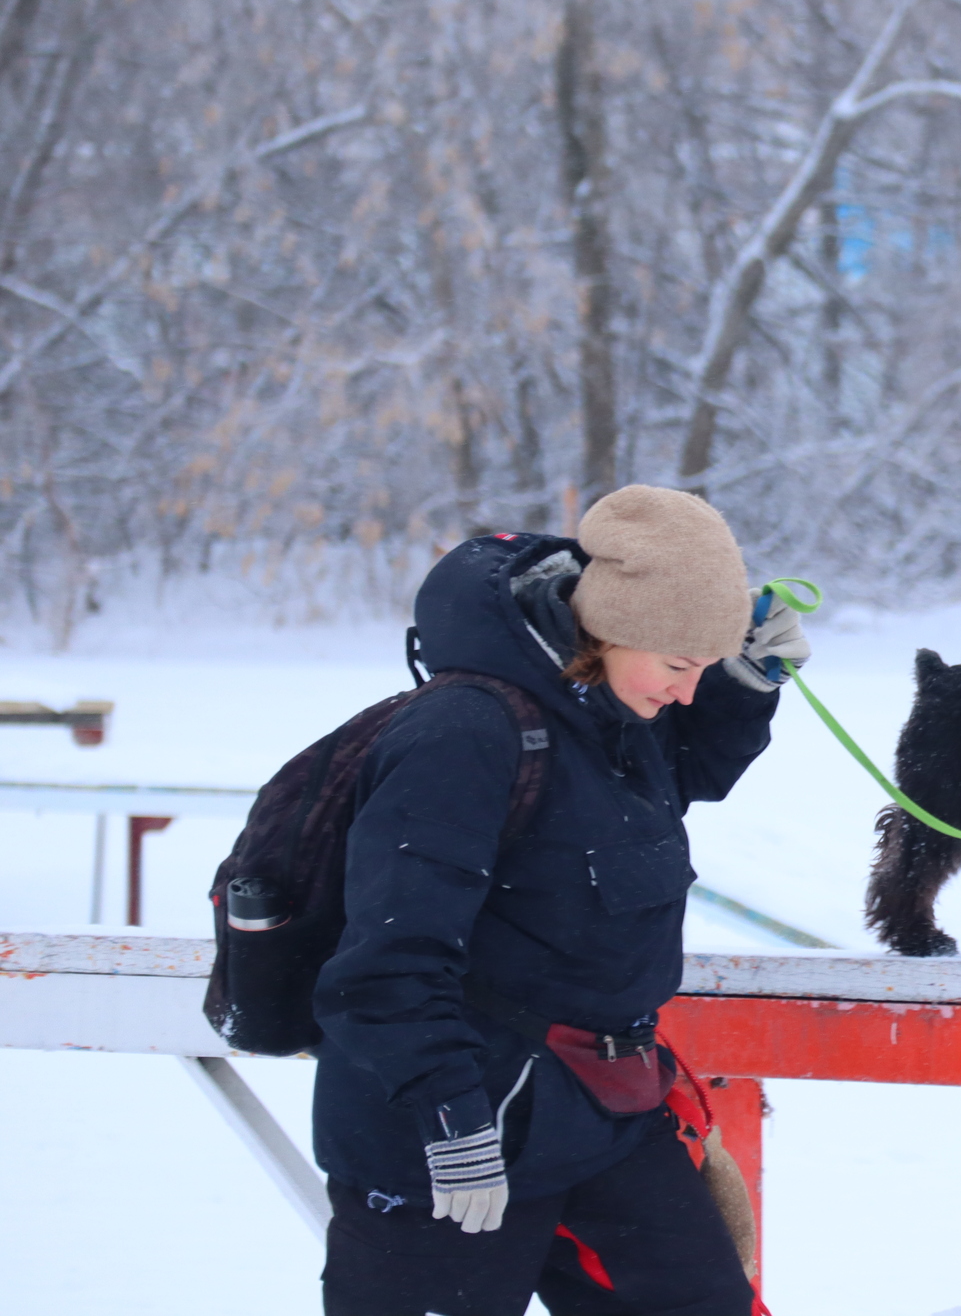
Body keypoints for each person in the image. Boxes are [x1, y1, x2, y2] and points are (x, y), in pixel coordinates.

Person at [311, 485, 809, 1316]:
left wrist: (741, 683)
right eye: (681, 666)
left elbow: (668, 779)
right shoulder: (462, 735)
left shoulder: (605, 708)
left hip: (600, 1111)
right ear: (610, 628)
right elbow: (389, 957)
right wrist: (451, 1118)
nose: (688, 692)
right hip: (447, 1130)